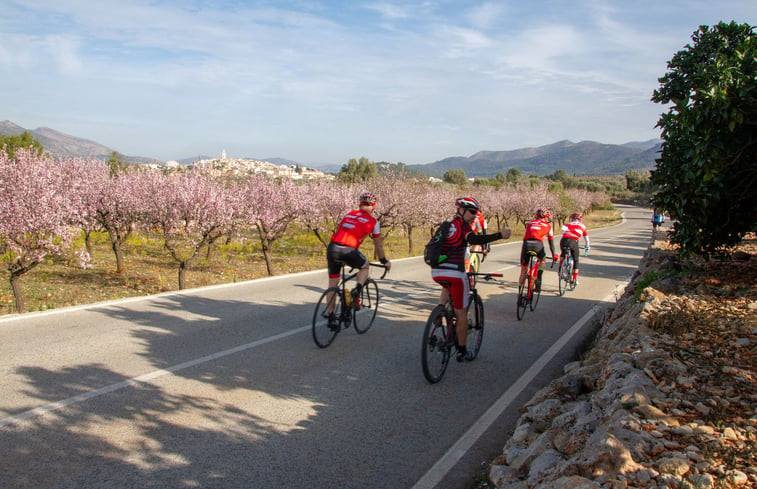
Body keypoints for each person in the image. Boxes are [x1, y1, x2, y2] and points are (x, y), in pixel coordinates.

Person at [431, 197, 511, 361]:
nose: (475, 215)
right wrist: (499, 235)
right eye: (472, 212)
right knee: (461, 313)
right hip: (456, 273)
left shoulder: (445, 225)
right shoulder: (462, 225)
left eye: (477, 212)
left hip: (437, 272)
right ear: (461, 210)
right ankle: (462, 350)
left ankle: (439, 313)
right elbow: (474, 239)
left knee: (446, 286)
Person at [326, 192, 391, 329]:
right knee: (365, 266)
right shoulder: (374, 222)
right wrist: (384, 260)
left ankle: (331, 317)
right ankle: (357, 291)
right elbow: (378, 244)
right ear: (373, 207)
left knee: (333, 284)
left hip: (332, 248)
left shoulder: (349, 214)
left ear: (359, 204)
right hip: (348, 250)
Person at [519, 208, 557, 291]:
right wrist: (553, 255)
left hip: (526, 244)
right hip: (538, 245)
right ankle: (539, 279)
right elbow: (551, 243)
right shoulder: (548, 226)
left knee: (523, 270)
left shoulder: (529, 223)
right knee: (542, 261)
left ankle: (519, 293)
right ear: (546, 217)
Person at [559, 212, 590, 284]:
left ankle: (560, 269)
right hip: (573, 241)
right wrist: (587, 246)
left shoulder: (566, 225)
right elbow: (586, 238)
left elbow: (563, 232)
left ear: (571, 219)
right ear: (580, 219)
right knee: (576, 260)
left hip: (564, 240)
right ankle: (574, 279)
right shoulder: (582, 226)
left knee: (563, 254)